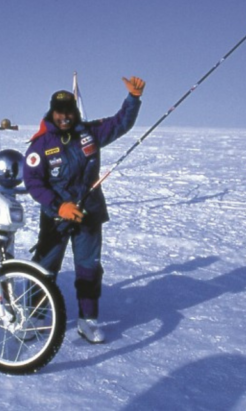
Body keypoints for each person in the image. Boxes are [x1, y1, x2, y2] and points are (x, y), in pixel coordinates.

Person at [23, 76, 145, 343]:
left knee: (88, 268)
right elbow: (33, 182)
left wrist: (133, 99)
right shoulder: (40, 146)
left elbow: (120, 123)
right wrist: (58, 205)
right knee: (44, 267)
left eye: (69, 112)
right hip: (55, 217)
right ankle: (34, 316)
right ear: (52, 112)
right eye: (59, 112)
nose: (64, 117)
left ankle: (87, 321)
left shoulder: (90, 133)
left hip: (89, 213)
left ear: (74, 111)